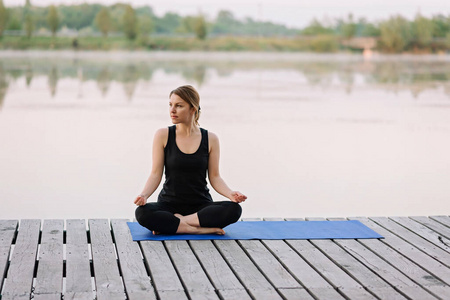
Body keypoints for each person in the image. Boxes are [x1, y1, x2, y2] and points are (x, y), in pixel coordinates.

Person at [134, 85, 247, 235]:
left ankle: (176, 224)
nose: (172, 110)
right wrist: (144, 195)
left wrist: (230, 193)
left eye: (179, 106)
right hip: (168, 205)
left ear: (193, 109)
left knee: (234, 209)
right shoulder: (163, 135)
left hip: (200, 206)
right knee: (142, 213)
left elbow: (215, 176)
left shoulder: (211, 139)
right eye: (170, 105)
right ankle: (200, 230)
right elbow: (155, 174)